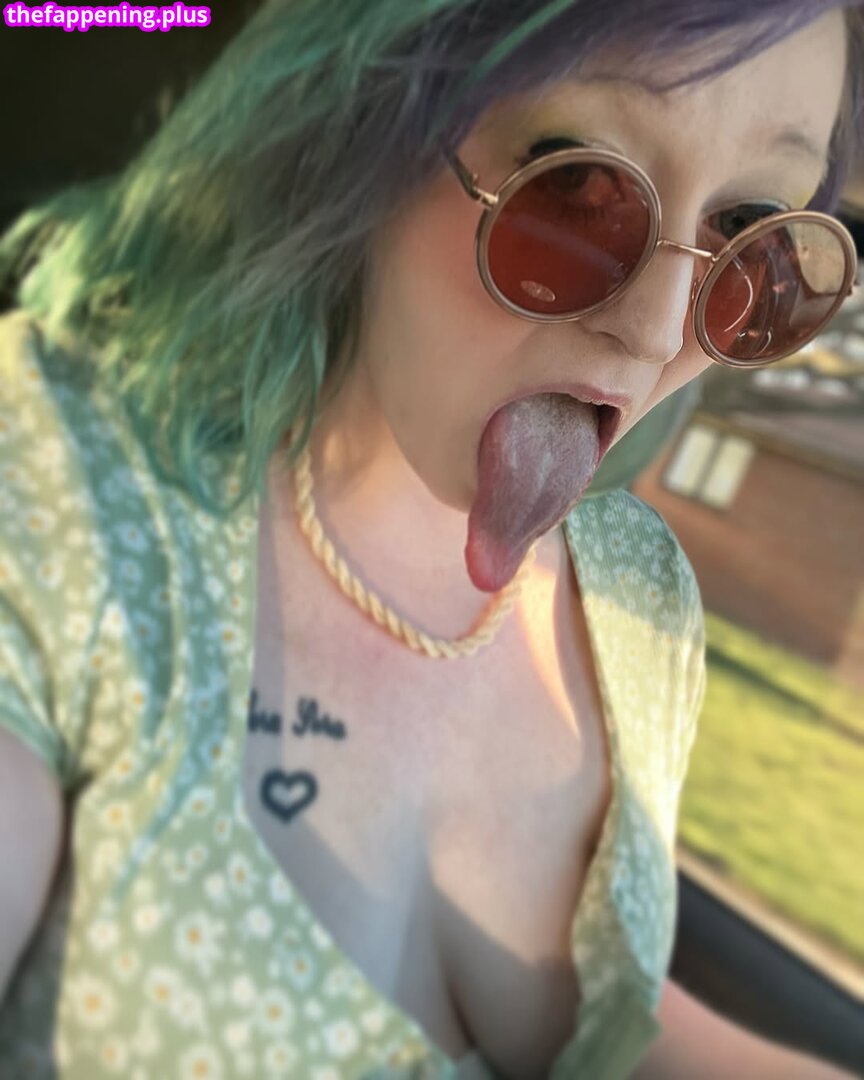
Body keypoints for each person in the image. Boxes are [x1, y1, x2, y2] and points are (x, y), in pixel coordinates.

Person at [0, 1, 861, 1077]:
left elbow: (605, 1022)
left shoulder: (641, 596)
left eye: (748, 230)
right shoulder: (57, 469)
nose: (653, 330)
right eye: (576, 184)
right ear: (368, 126)